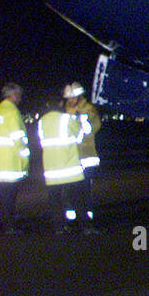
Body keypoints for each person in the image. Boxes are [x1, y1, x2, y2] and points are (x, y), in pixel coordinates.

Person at [38, 95, 94, 234]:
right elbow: (81, 136)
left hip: (51, 170)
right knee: (77, 199)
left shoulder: (41, 122)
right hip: (70, 169)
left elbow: (41, 141)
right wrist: (82, 120)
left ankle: (59, 228)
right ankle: (85, 227)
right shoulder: (67, 119)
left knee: (55, 201)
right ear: (60, 103)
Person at [0, 83, 29, 232]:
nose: (20, 98)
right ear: (14, 95)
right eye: (19, 95)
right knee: (9, 198)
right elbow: (18, 139)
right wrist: (24, 162)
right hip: (11, 163)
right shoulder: (12, 112)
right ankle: (10, 227)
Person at [62, 81, 100, 223]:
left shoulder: (89, 110)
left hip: (86, 156)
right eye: (68, 98)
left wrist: (82, 121)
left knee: (85, 189)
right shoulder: (65, 111)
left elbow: (92, 129)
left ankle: (86, 218)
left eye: (73, 98)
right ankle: (71, 219)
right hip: (70, 158)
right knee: (69, 190)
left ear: (80, 96)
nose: (70, 101)